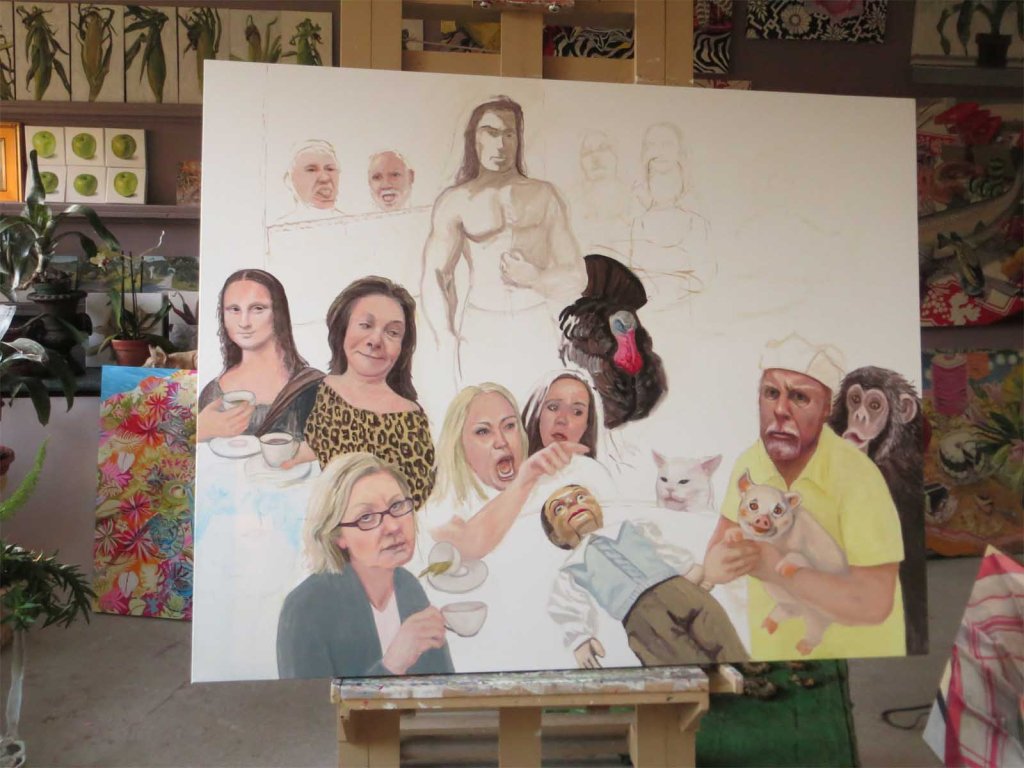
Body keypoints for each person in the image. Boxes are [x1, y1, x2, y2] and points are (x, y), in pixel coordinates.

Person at [703, 333, 906, 659]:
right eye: (771, 393)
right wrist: (718, 564)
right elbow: (716, 552)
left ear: (827, 409)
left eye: (799, 397)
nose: (780, 409)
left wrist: (773, 566)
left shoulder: (858, 477)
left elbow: (873, 604)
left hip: (859, 661)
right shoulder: (750, 463)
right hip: (772, 654)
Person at [420, 96, 587, 393]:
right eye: (491, 133)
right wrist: (445, 336)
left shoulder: (544, 195)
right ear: (474, 138)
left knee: (538, 410)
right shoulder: (455, 201)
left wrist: (536, 278)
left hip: (535, 322)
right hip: (480, 326)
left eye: (509, 134)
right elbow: (436, 275)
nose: (500, 145)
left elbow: (576, 276)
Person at [276, 453, 454, 678]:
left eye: (397, 506)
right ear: (337, 536)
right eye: (366, 517)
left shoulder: (408, 587)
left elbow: (444, 686)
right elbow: (310, 701)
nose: (393, 527)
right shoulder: (305, 609)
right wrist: (392, 664)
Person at [542, 481, 748, 668]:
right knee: (677, 661)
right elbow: (565, 603)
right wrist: (579, 639)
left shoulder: (631, 527)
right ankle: (704, 685)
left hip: (679, 588)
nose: (573, 504)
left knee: (718, 630)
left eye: (580, 496)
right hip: (641, 614)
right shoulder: (572, 568)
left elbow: (662, 550)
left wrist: (689, 570)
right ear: (556, 537)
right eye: (559, 508)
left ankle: (747, 672)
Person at [287, 277, 436, 508]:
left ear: (403, 347)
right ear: (343, 329)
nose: (375, 340)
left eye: (392, 332)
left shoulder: (411, 419)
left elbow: (414, 502)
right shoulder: (314, 390)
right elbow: (303, 454)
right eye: (366, 325)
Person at [422, 382, 588, 560]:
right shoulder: (443, 505)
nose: (501, 441)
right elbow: (459, 546)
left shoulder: (553, 484)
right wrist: (524, 481)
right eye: (483, 431)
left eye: (509, 426)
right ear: (459, 445)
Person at [197, 269, 323, 442]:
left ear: (278, 313)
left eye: (257, 309)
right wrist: (201, 431)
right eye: (234, 309)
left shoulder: (314, 386)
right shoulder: (212, 393)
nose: (244, 323)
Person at [520, 370, 600, 459]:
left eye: (577, 412)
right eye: (553, 407)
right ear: (537, 415)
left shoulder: (593, 468)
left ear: (587, 425)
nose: (562, 420)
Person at [278, 139, 342, 221]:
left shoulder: (351, 222)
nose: (325, 178)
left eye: (330, 169)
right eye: (311, 170)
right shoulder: (282, 226)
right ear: (289, 180)